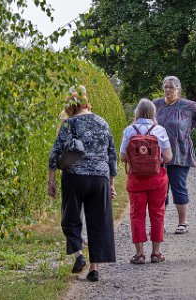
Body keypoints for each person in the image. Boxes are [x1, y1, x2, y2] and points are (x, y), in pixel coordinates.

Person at [47, 86, 117, 282]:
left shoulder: (69, 124)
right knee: (99, 222)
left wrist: (51, 180)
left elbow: (55, 154)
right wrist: (111, 183)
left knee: (70, 218)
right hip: (99, 178)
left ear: (70, 107)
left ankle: (79, 255)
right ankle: (95, 269)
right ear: (87, 104)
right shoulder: (102, 122)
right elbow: (111, 155)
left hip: (74, 176)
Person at [153, 76, 196, 234]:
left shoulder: (187, 105)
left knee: (178, 187)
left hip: (180, 153)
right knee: (159, 189)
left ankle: (182, 223)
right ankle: (159, 224)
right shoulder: (156, 104)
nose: (167, 90)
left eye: (171, 87)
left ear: (178, 89)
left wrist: (190, 127)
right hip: (157, 154)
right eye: (165, 87)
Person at [120, 99, 172, 264]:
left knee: (137, 215)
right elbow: (168, 157)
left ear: (137, 112)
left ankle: (139, 254)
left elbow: (122, 156)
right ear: (153, 113)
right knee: (157, 213)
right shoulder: (159, 130)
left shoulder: (129, 131)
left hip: (136, 179)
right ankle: (156, 253)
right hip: (157, 177)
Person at [58, 86, 88, 246]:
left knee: (79, 204)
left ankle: (80, 235)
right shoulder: (65, 116)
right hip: (75, 162)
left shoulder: (68, 115)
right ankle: (78, 235)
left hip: (75, 164)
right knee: (76, 205)